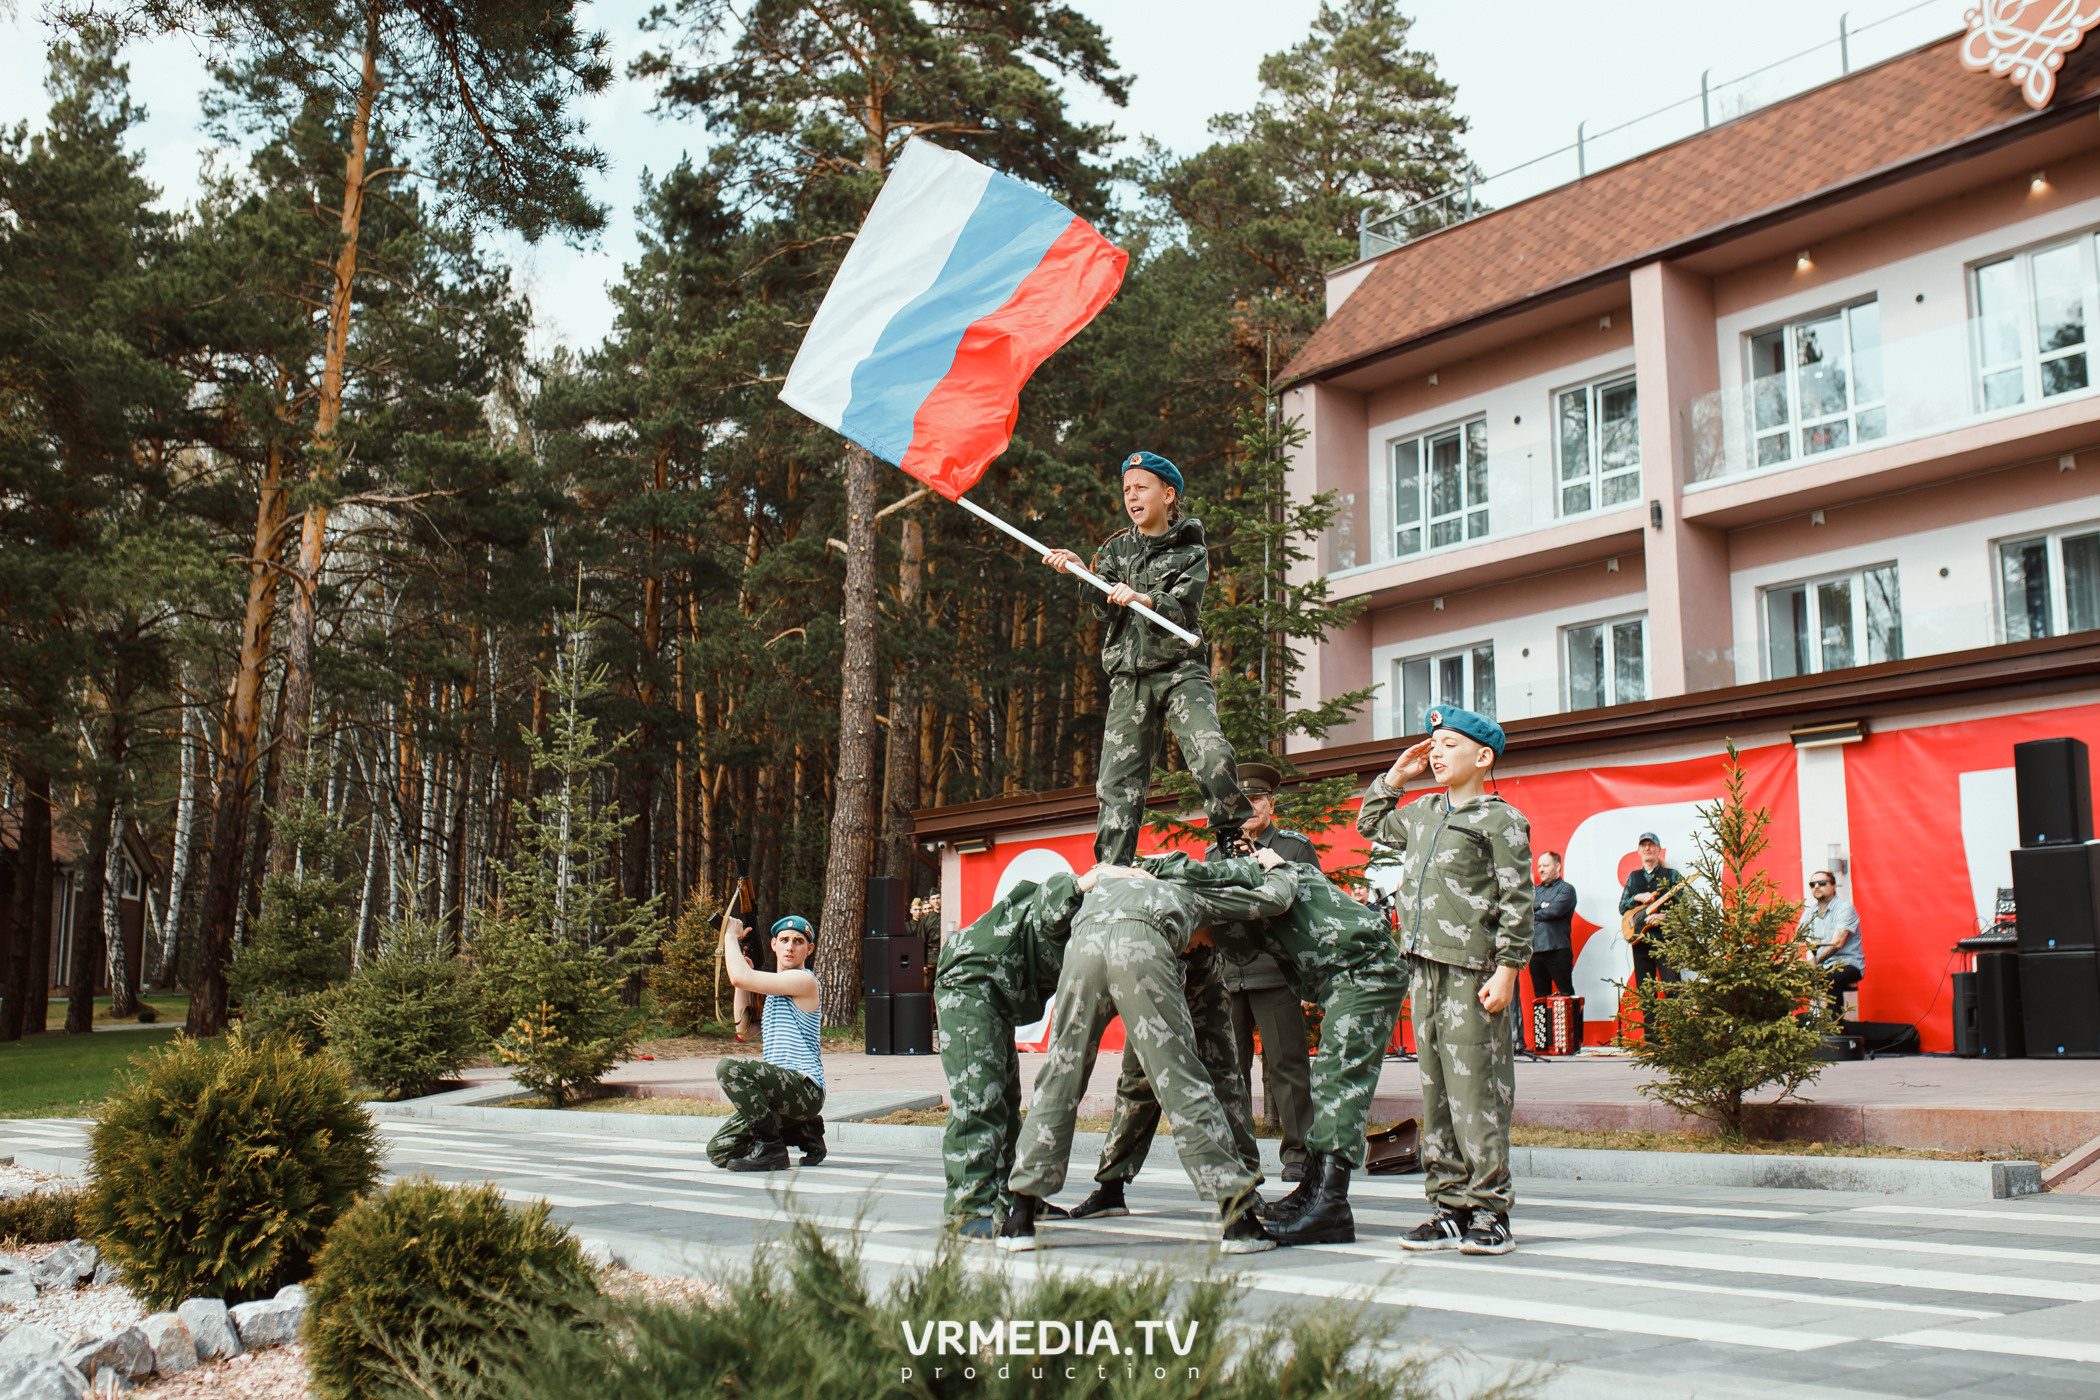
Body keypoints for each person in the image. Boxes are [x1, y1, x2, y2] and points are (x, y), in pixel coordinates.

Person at [1001, 849, 1300, 1255]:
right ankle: (1238, 1219)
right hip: (1139, 942)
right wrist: (1278, 866)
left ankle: (1020, 1215)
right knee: (1181, 1079)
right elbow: (1274, 900)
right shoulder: (1194, 894)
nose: (1198, 951)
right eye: (1204, 945)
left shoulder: (1116, 879)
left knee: (1060, 1075)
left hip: (1083, 944)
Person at [1358, 706, 1533, 1257]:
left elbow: (1517, 901)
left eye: (1449, 744)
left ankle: (1490, 1210)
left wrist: (1508, 970)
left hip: (1473, 971)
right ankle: (1449, 1207)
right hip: (1423, 969)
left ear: (1482, 757)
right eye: (1432, 743)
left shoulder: (1502, 821)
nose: (1436, 752)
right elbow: (1368, 825)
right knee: (1436, 1092)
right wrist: (1395, 777)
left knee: (1476, 1090)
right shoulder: (1422, 811)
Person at [1192, 858, 1412, 1247]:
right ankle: (1313, 1191)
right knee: (1329, 1081)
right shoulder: (1251, 884)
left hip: (1365, 970)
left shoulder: (1252, 888)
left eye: (1190, 940)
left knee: (1338, 1081)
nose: (1194, 949)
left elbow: (1245, 939)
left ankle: (1330, 1208)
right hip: (1347, 972)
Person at [1041, 451, 1243, 864]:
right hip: (1130, 679)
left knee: (1212, 754)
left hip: (1180, 671)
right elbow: (1104, 605)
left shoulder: (1191, 552)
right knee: (1117, 782)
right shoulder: (1115, 550)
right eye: (1126, 490)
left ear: (1168, 495)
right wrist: (1082, 570)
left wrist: (1144, 597)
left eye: (1141, 487)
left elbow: (1185, 610)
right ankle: (1113, 866)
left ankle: (1230, 835)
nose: (1132, 496)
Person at [1213, 762, 1316, 1180]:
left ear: (1271, 804)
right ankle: (1238, 1153)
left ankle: (1298, 1154)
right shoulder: (1214, 852)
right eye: (1243, 801)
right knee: (1230, 1069)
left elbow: (1310, 907)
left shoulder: (1293, 847)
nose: (1250, 806)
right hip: (1228, 975)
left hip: (1276, 972)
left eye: (1257, 799)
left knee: (1287, 1065)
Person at [709, 914, 827, 1171]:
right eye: (784, 940)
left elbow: (739, 977)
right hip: (778, 1093)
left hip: (803, 1087)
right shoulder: (773, 990)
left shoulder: (804, 980)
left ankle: (772, 1147)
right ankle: (802, 1130)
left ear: (810, 949)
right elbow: (743, 1030)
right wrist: (745, 980)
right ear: (773, 945)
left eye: (798, 941)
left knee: (728, 1068)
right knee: (719, 1150)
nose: (790, 946)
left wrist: (730, 935)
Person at [1619, 833, 1683, 1035]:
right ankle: (1652, 1041)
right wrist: (1636, 897)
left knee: (1672, 988)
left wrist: (1664, 916)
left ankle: (1679, 1038)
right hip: (1640, 941)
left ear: (1658, 849)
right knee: (1646, 992)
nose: (1647, 848)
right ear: (1638, 851)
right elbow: (1622, 908)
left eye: (1651, 845)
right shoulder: (1633, 877)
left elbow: (1681, 907)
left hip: (1665, 941)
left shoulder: (1672, 876)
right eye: (1643, 845)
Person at [1529, 852, 1577, 1048]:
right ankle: (1542, 1043)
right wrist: (1541, 908)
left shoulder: (1567, 890)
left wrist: (1537, 910)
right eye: (1539, 866)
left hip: (1558, 950)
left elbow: (1555, 911)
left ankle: (1572, 1041)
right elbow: (1527, 911)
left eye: (1545, 866)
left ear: (1558, 867)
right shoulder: (1534, 891)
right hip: (1536, 951)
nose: (1540, 869)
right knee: (1540, 998)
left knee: (1566, 995)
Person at [1802, 870, 1864, 1022]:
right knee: (1787, 979)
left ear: (1833, 886)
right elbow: (1797, 941)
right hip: (1822, 965)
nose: (1816, 887)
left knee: (1831, 979)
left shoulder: (1844, 908)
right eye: (1812, 884)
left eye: (1822, 883)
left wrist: (1811, 963)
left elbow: (1837, 943)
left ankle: (1836, 1031)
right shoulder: (1809, 913)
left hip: (1848, 964)